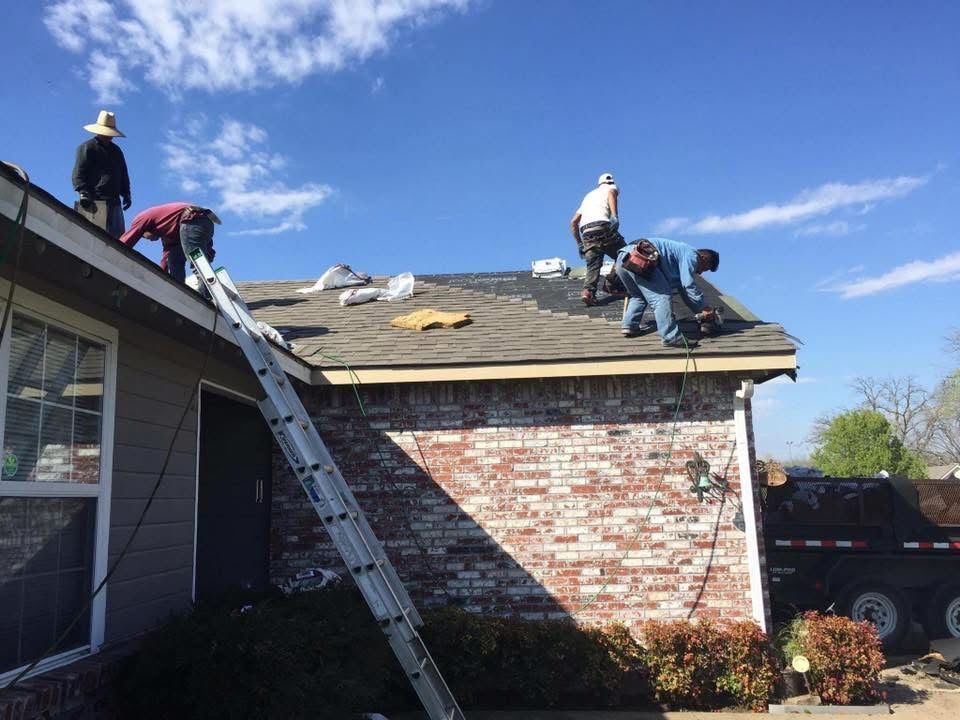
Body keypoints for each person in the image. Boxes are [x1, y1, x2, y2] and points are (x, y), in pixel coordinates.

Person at [615, 238, 720, 348]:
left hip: (623, 258)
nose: (700, 272)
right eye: (704, 267)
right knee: (662, 297)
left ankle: (630, 326)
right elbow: (688, 285)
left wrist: (700, 310)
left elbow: (684, 291)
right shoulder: (692, 255)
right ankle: (671, 337)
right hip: (641, 256)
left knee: (638, 297)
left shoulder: (680, 254)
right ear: (703, 257)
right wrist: (705, 307)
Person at [119, 202, 221, 284]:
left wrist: (115, 248)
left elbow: (129, 238)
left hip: (192, 218)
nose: (150, 241)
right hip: (203, 223)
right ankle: (178, 288)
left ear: (145, 229)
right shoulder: (168, 235)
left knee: (196, 259)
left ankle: (206, 286)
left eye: (146, 237)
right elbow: (166, 259)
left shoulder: (142, 218)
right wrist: (160, 279)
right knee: (173, 259)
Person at [72, 110, 131, 238]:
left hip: (114, 203)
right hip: (94, 200)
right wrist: (83, 192)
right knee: (91, 238)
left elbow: (123, 174)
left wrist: (126, 193)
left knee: (118, 243)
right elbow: (78, 172)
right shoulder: (88, 147)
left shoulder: (116, 152)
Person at [570, 172, 625, 306]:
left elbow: (573, 222)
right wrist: (614, 216)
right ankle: (613, 283)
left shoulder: (589, 196)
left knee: (593, 265)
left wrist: (580, 244)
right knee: (625, 255)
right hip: (602, 226)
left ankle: (588, 292)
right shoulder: (611, 187)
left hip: (587, 233)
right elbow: (612, 194)